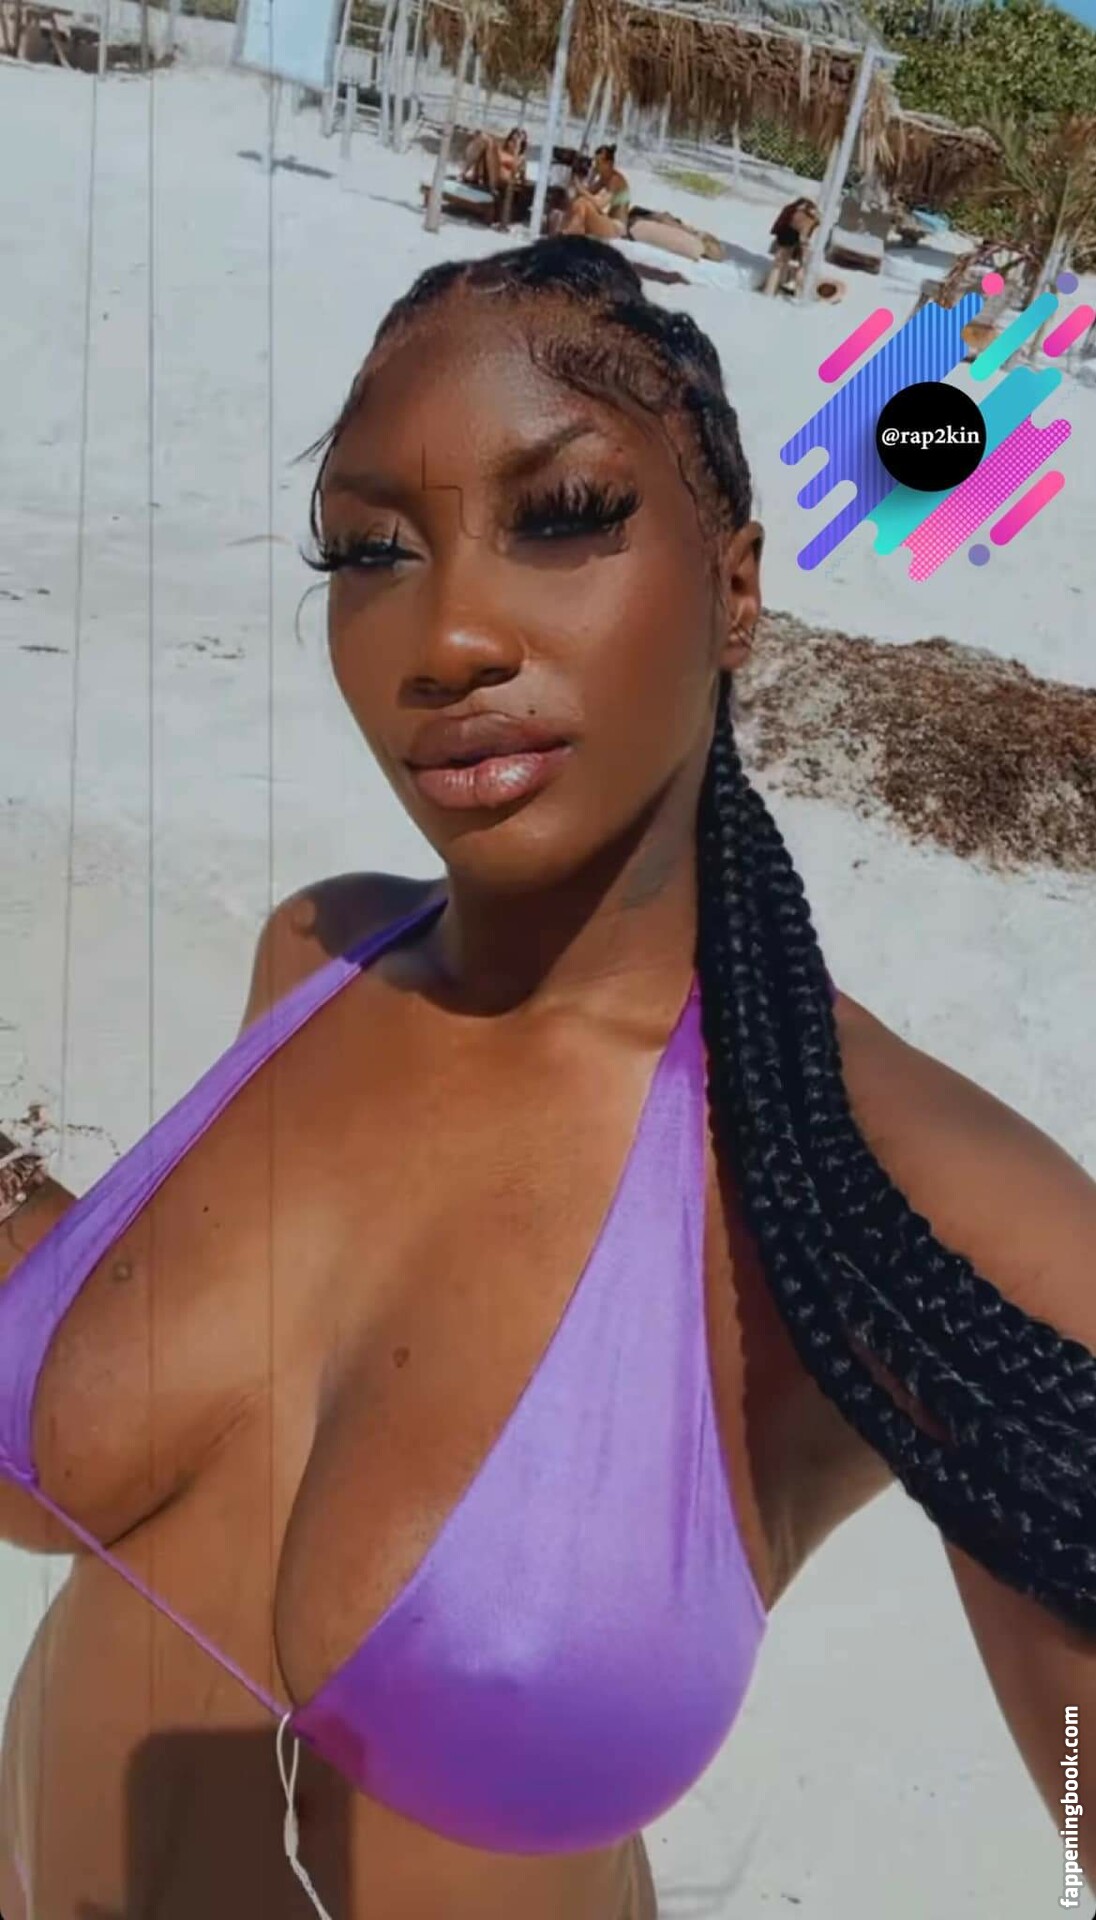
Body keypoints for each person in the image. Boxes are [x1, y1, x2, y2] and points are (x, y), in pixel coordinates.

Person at [0, 236, 1093, 1920]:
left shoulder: (899, 1199)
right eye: (371, 549)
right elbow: (193, 1408)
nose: (444, 635)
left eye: (564, 516)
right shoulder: (317, 961)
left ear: (736, 590)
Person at [560, 142, 630, 239]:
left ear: (609, 164)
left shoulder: (615, 180)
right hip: (609, 222)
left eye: (599, 163)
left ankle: (572, 233)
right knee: (579, 202)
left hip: (617, 227)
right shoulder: (604, 179)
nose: (596, 166)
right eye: (595, 163)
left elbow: (600, 204)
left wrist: (580, 188)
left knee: (583, 204)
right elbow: (586, 193)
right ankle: (569, 231)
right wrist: (589, 176)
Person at [762, 196, 820, 296]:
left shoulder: (791, 209)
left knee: (779, 266)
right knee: (795, 266)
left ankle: (771, 289)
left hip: (784, 236)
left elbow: (780, 225)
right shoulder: (808, 217)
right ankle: (789, 290)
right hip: (792, 238)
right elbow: (804, 236)